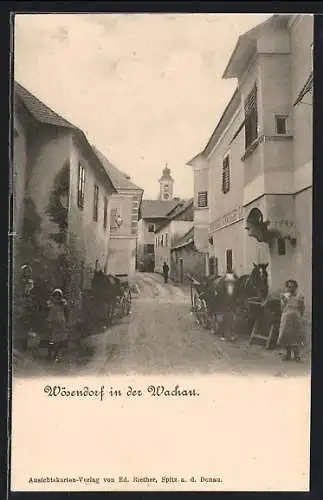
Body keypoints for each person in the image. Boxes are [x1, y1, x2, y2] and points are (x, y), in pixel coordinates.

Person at [277, 279, 305, 361]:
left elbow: (302, 307)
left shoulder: (300, 295)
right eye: (289, 287)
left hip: (296, 316)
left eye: (293, 287)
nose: (291, 288)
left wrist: (300, 316)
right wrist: (284, 301)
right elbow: (282, 307)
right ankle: (288, 354)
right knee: (286, 335)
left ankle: (296, 355)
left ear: (296, 287)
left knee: (296, 335)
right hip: (286, 317)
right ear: (287, 287)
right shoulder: (284, 296)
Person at [46, 289, 69, 360]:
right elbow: (47, 308)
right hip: (53, 321)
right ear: (53, 295)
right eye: (55, 295)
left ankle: (55, 354)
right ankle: (49, 353)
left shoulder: (63, 302)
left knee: (58, 339)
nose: (57, 296)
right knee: (52, 339)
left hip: (61, 321)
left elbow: (66, 309)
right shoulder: (50, 302)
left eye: (58, 295)